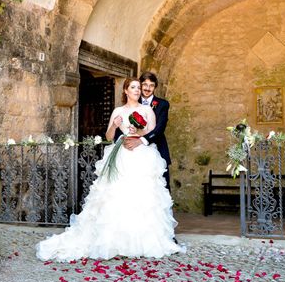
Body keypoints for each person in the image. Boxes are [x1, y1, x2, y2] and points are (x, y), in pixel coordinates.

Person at [36, 77, 184, 262]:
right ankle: (115, 240)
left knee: (142, 196)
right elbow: (109, 136)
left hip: (141, 154)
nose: (137, 90)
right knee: (117, 195)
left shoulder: (147, 110)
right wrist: (115, 125)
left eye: (139, 87)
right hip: (121, 154)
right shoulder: (118, 111)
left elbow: (152, 132)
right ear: (126, 91)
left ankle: (142, 240)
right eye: (133, 87)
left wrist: (138, 132)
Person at [121, 72, 172, 191]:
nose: (148, 88)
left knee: (161, 186)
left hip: (157, 148)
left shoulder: (162, 104)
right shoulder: (131, 102)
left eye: (151, 85)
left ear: (155, 87)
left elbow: (160, 128)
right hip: (134, 152)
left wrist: (141, 141)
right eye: (144, 84)